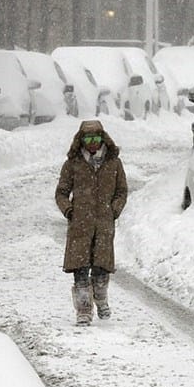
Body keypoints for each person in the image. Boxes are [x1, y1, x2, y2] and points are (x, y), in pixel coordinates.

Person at [55, 120, 127, 326]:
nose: (93, 143)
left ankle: (101, 298)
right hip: (80, 226)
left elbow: (121, 191)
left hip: (104, 225)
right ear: (81, 140)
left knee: (101, 269)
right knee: (80, 270)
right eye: (88, 139)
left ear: (103, 139)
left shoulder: (114, 163)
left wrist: (114, 209)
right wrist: (68, 210)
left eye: (97, 138)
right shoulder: (73, 164)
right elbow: (61, 192)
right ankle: (84, 310)